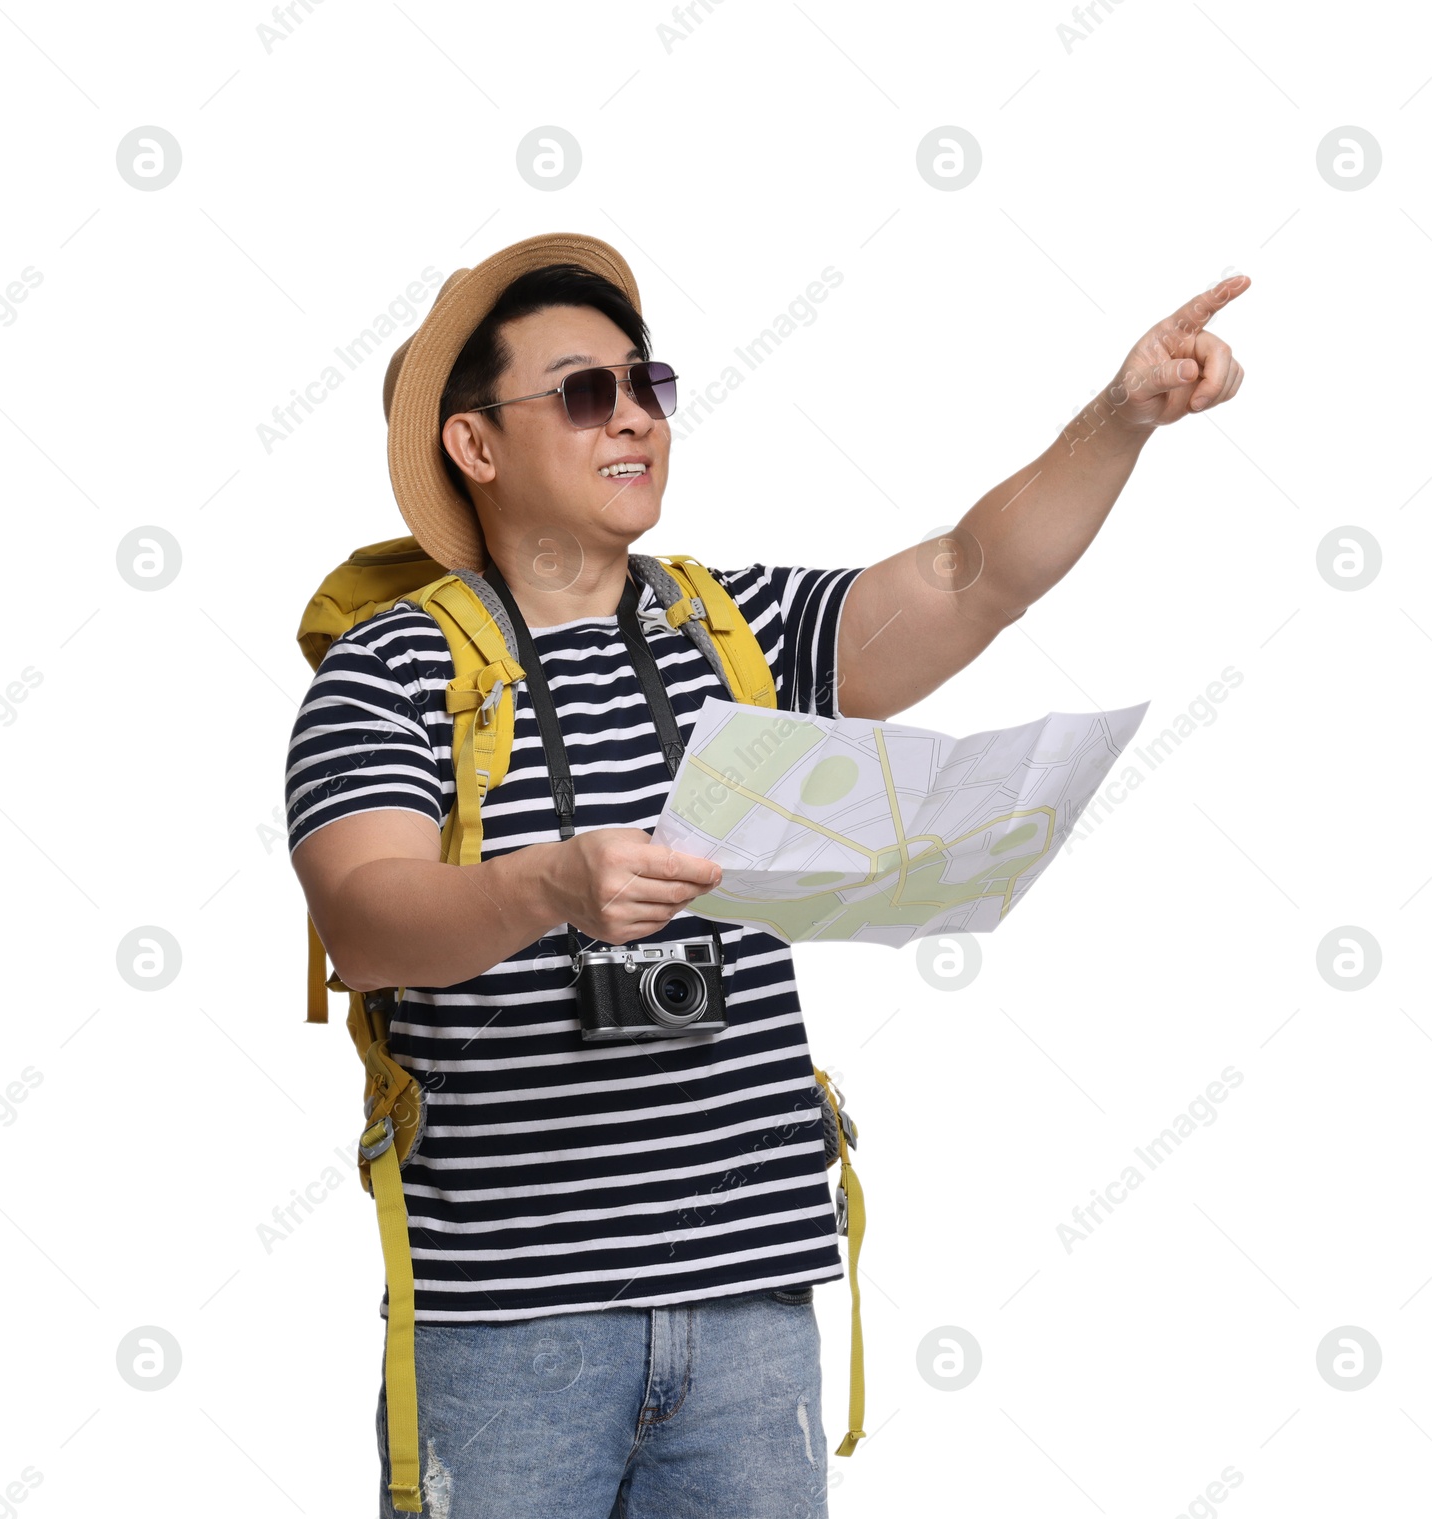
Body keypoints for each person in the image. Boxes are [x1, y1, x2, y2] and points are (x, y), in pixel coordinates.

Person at [285, 232, 1248, 1518]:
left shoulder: (733, 631)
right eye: (584, 394)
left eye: (648, 385)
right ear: (475, 443)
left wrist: (1120, 417)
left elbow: (970, 577)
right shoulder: (391, 671)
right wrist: (548, 887)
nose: (634, 418)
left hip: (752, 1310)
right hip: (514, 1326)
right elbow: (367, 917)